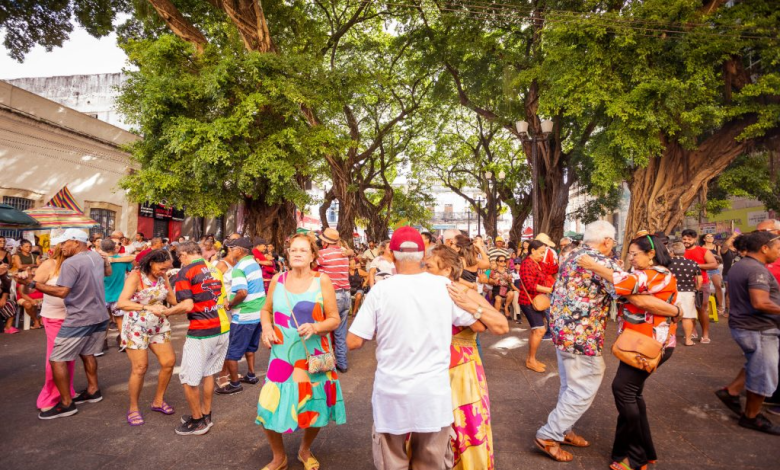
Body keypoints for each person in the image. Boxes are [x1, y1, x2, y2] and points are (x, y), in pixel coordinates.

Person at [534, 221, 676, 462]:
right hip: (582, 335)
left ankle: (563, 429)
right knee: (582, 388)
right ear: (607, 241)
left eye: (634, 253)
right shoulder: (604, 263)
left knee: (570, 385)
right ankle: (549, 434)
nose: (630, 256)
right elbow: (630, 295)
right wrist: (675, 310)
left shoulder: (571, 255)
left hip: (561, 331)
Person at [347, 227, 484, 470]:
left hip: (392, 392)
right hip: (433, 393)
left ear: (391, 254)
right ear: (423, 255)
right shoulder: (443, 286)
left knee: (392, 461)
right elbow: (477, 324)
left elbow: (354, 341)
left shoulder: (381, 290)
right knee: (430, 462)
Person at [579, 234, 681, 470]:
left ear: (651, 254)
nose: (631, 258)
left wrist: (594, 266)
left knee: (623, 390)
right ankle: (640, 451)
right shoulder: (643, 275)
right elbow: (627, 286)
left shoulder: (657, 273)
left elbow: (626, 284)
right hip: (639, 342)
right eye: (630, 254)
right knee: (633, 394)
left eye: (635, 254)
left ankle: (635, 457)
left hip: (649, 344)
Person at [256, 233, 345, 470]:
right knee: (268, 406)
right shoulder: (278, 279)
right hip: (281, 357)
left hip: (313, 356)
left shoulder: (322, 280)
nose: (297, 254)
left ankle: (305, 450)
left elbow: (334, 319)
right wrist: (266, 328)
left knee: (315, 407)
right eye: (293, 250)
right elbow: (266, 310)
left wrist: (316, 326)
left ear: (313, 255)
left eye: (303, 250)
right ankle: (279, 457)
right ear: (288, 254)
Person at [425, 244, 508, 469]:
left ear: (447, 270)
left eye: (429, 266)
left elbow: (501, 326)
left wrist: (470, 305)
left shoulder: (462, 292)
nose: (424, 270)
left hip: (461, 372)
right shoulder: (421, 292)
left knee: (464, 425)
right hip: (428, 367)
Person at [19, 229, 112, 420]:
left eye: (64, 242)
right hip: (96, 315)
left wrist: (33, 284)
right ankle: (93, 391)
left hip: (78, 317)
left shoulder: (72, 262)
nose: (61, 246)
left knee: (57, 359)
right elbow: (107, 273)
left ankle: (66, 403)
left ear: (76, 242)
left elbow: (62, 292)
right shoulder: (95, 256)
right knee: (87, 353)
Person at [715, 231, 780, 435]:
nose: (779, 253)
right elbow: (760, 302)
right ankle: (751, 417)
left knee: (756, 363)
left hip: (747, 326)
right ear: (764, 248)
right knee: (763, 374)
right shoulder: (756, 270)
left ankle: (731, 391)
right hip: (758, 329)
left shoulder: (742, 265)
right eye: (778, 248)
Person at [162, 241, 231, 435]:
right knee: (209, 373)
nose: (180, 260)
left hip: (202, 330)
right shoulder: (214, 268)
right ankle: (206, 415)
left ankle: (198, 421)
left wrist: (165, 312)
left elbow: (187, 305)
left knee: (189, 378)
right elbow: (224, 300)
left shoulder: (186, 272)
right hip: (222, 328)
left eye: (179, 257)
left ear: (183, 255)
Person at [116, 249, 177, 426]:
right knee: (140, 367)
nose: (164, 272)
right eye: (161, 268)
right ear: (151, 262)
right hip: (136, 326)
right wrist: (148, 308)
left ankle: (158, 400)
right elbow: (122, 303)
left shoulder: (162, 277)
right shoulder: (136, 276)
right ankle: (133, 408)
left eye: (167, 269)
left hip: (158, 325)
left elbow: (173, 300)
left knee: (169, 362)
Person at [217, 237, 265, 395]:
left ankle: (235, 384)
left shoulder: (239, 267)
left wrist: (231, 304)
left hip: (244, 314)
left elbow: (242, 292)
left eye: (232, 248)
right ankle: (251, 375)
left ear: (239, 250)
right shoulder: (253, 263)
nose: (230, 251)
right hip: (257, 312)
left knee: (232, 351)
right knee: (250, 347)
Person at [32, 242, 76, 410]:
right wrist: (25, 282)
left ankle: (66, 392)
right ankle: (50, 397)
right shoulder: (50, 264)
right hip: (54, 318)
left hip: (74, 318)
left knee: (69, 359)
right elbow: (30, 288)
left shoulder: (76, 264)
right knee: (56, 359)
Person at [317, 227, 352, 373]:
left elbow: (310, 264)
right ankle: (342, 363)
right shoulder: (344, 253)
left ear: (325, 242)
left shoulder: (323, 254)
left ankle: (327, 363)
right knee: (340, 331)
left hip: (333, 295)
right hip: (346, 295)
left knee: (324, 330)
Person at [519, 240, 554, 373]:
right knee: (539, 330)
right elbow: (530, 285)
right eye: (541, 252)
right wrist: (548, 289)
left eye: (544, 253)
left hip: (537, 301)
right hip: (528, 302)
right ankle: (531, 360)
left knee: (536, 330)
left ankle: (531, 358)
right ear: (532, 250)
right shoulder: (527, 264)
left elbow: (553, 268)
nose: (542, 255)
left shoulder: (538, 263)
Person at [681, 229, 718, 344]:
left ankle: (705, 334)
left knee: (702, 309)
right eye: (684, 239)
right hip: (684, 284)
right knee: (687, 309)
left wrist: (695, 265)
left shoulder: (703, 251)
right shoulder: (679, 251)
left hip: (702, 284)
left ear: (695, 239)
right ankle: (692, 331)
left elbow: (714, 264)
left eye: (689, 239)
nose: (686, 241)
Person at [668, 242, 702, 346]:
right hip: (688, 292)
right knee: (687, 317)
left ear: (672, 251)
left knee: (670, 316)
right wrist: (696, 288)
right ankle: (688, 340)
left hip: (671, 292)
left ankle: (669, 339)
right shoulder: (692, 263)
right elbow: (699, 280)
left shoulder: (666, 263)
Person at [101, 239, 134, 346]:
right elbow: (132, 266)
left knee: (104, 321)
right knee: (120, 320)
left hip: (102, 295)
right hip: (118, 295)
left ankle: (102, 343)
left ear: (101, 248)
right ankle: (123, 343)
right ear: (114, 247)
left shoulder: (98, 260)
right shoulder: (123, 260)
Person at [701, 233, 725, 316]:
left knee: (718, 286)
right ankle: (706, 306)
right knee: (705, 287)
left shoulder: (717, 247)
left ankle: (720, 306)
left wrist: (716, 257)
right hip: (704, 268)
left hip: (714, 269)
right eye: (708, 236)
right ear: (704, 239)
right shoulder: (701, 248)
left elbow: (721, 259)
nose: (710, 238)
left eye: (711, 236)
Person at [721, 231, 742, 317]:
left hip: (741, 274)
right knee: (729, 292)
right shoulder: (725, 250)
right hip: (728, 274)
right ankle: (728, 310)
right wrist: (733, 235)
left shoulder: (741, 250)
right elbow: (725, 246)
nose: (734, 240)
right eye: (732, 239)